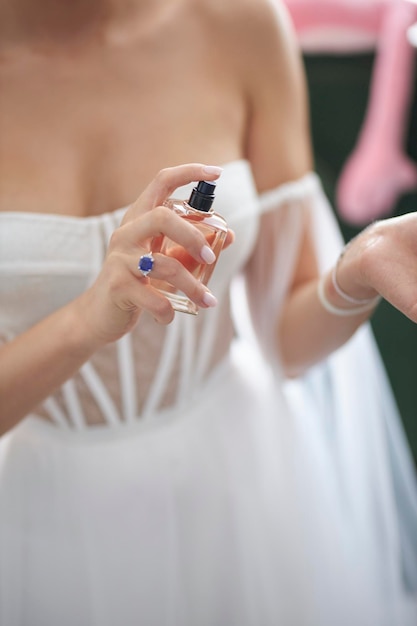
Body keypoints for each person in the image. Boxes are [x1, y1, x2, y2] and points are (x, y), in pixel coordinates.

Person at [0, 0, 416, 624]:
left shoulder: (240, 22)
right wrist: (84, 322)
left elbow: (286, 343)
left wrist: (358, 268)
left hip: (243, 488)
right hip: (46, 515)